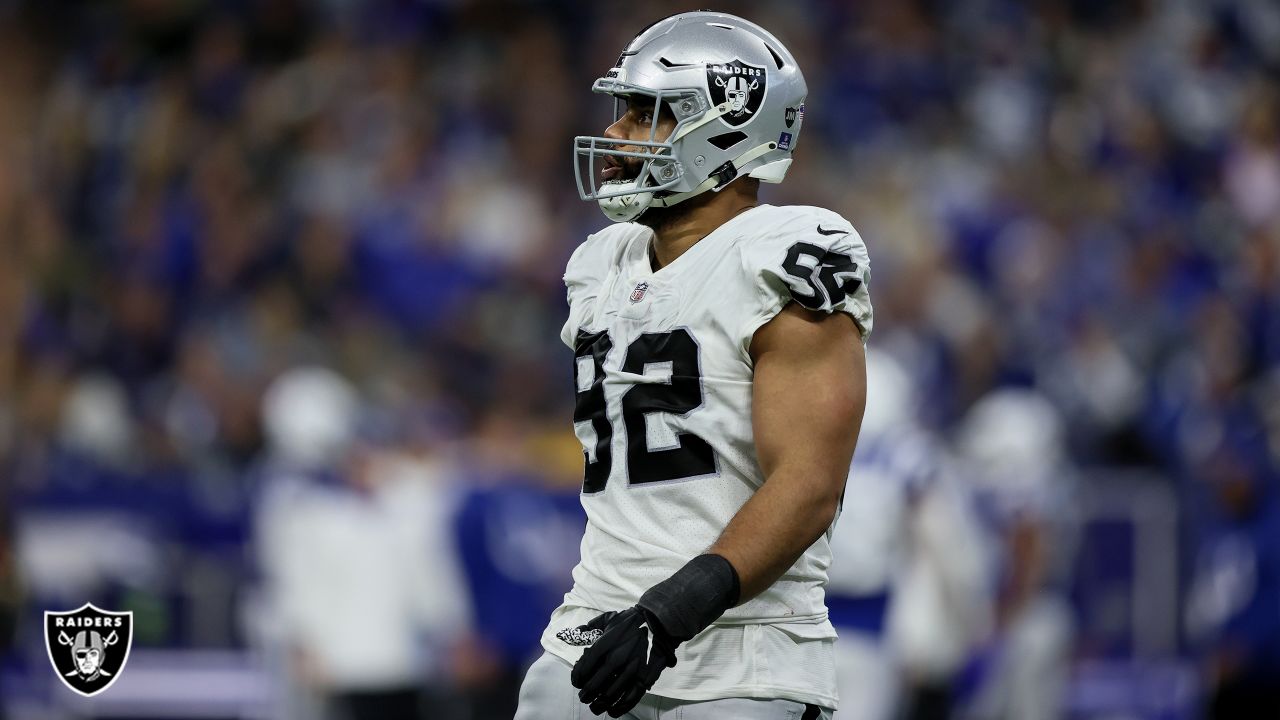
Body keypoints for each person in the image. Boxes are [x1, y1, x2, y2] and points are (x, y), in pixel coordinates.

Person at [516, 11, 874, 720]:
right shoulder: (601, 264)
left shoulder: (785, 251)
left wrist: (668, 614)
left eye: (645, 114)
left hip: (741, 659)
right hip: (589, 641)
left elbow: (809, 485)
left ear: (727, 126)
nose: (616, 134)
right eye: (622, 110)